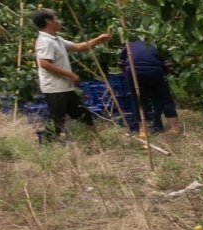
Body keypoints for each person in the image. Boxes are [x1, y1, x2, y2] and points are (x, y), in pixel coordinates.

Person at [31, 8, 111, 136]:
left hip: (64, 87)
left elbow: (78, 47)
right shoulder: (45, 41)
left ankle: (94, 141)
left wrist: (98, 40)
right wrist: (69, 74)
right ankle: (49, 147)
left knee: (83, 114)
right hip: (55, 88)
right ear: (48, 22)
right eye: (56, 18)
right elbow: (44, 63)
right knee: (57, 121)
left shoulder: (56, 39)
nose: (59, 21)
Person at [118, 39, 180, 135]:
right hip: (155, 70)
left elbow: (120, 64)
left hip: (133, 71)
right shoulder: (158, 44)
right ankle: (174, 129)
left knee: (138, 100)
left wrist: (128, 73)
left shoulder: (128, 44)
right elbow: (169, 66)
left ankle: (143, 130)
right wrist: (163, 74)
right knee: (165, 99)